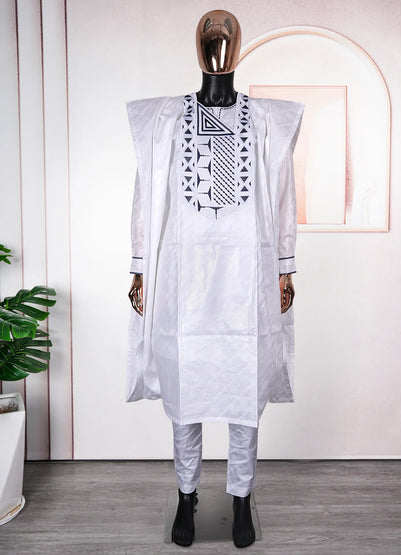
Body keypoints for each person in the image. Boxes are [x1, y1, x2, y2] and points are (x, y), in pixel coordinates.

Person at [126, 9, 304, 548]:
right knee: (186, 391)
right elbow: (144, 197)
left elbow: (283, 198)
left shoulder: (267, 119)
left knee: (243, 389)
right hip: (184, 283)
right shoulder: (164, 118)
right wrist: (139, 267)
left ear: (240, 47)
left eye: (227, 36)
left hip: (245, 284)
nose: (218, 45)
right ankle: (187, 494)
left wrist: (285, 267)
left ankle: (242, 497)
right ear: (196, 47)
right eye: (209, 35)